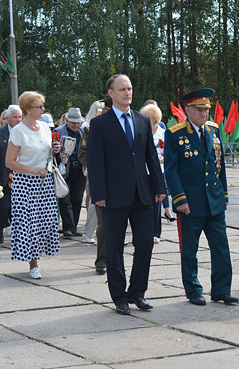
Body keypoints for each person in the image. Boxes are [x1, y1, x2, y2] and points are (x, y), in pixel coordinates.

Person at [86, 74, 166, 315]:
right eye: (122, 89)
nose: (127, 93)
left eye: (130, 88)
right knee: (114, 248)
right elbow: (95, 160)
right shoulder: (100, 124)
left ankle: (137, 292)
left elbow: (150, 155)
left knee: (145, 245)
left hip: (142, 194)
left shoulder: (142, 120)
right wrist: (98, 193)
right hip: (112, 196)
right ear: (111, 93)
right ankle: (119, 296)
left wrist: (160, 187)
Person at [164, 89, 237, 306]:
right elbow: (171, 170)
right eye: (199, 110)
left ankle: (222, 290)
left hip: (214, 202)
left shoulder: (214, 130)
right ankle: (194, 289)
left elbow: (219, 165)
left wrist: (223, 195)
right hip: (190, 203)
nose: (204, 114)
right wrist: (180, 199)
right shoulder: (175, 133)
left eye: (207, 110)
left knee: (221, 248)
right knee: (189, 251)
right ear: (188, 110)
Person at [5, 92, 62, 279]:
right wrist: (31, 170)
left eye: (43, 106)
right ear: (28, 109)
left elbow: (47, 151)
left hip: (44, 181)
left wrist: (55, 150)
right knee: (30, 224)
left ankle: (38, 255)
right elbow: (9, 162)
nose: (43, 110)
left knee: (48, 220)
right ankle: (33, 263)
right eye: (39, 107)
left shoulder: (45, 126)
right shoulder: (18, 131)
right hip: (25, 182)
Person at [0, 105, 23, 244]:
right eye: (15, 117)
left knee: (20, 208)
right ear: (7, 118)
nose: (18, 120)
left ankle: (19, 233)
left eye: (20, 117)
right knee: (4, 207)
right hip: (4, 176)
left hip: (22, 175)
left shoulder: (25, 132)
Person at [140, 103, 174, 244]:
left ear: (155, 119)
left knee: (156, 204)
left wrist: (162, 159)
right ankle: (143, 231)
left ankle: (155, 232)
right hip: (142, 173)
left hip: (157, 172)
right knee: (143, 204)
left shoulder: (163, 133)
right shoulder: (140, 132)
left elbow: (170, 153)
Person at [78, 100, 106, 256]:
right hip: (97, 174)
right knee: (94, 205)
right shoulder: (90, 128)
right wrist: (97, 168)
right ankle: (89, 233)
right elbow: (83, 154)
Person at [54, 107, 87, 237]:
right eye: (73, 122)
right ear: (67, 120)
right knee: (65, 198)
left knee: (77, 198)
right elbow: (51, 151)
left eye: (78, 122)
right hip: (64, 169)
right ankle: (68, 227)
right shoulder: (58, 132)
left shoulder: (83, 132)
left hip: (80, 168)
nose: (76, 125)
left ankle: (73, 226)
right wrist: (59, 157)